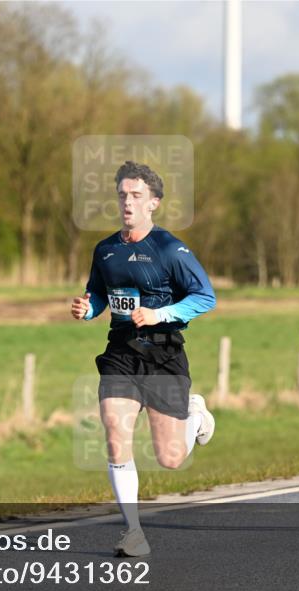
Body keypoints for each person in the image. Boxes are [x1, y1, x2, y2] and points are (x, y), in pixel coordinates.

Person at [71, 160, 217, 557]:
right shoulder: (106, 250)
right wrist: (88, 308)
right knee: (115, 432)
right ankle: (133, 532)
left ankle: (196, 414)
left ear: (153, 202)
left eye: (136, 196)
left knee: (170, 459)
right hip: (121, 352)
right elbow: (100, 294)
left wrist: (160, 314)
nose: (127, 203)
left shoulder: (171, 249)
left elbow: (206, 297)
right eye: (122, 195)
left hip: (164, 353)